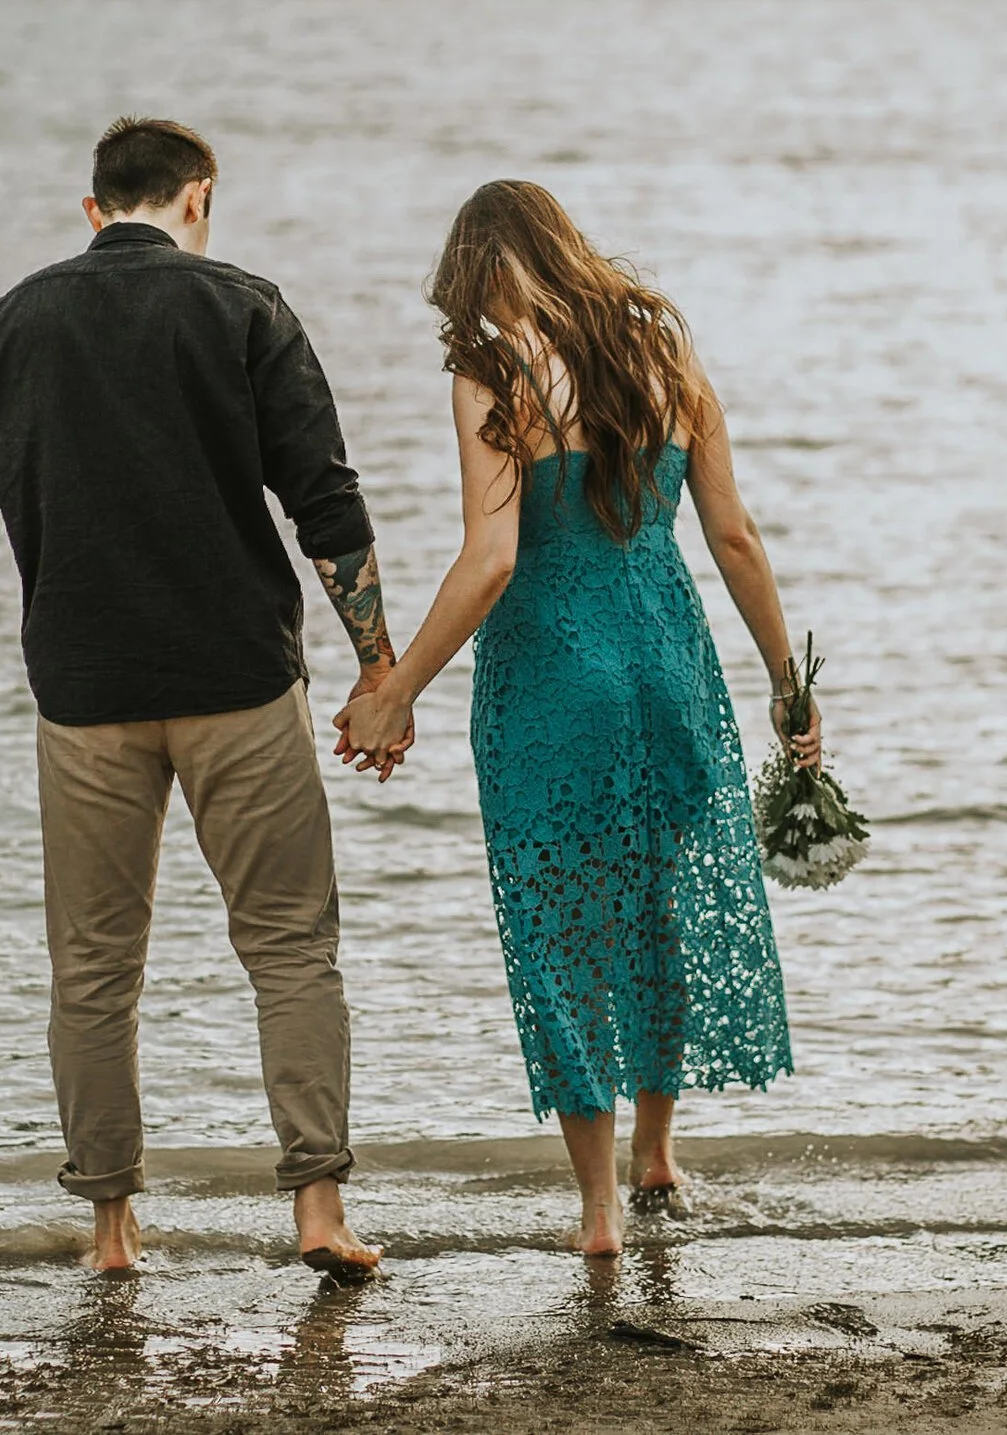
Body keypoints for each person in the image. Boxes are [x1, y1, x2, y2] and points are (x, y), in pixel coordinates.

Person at [0, 117, 405, 1278]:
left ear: (93, 210)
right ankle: (319, 1210)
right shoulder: (245, 307)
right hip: (238, 679)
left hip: (85, 695)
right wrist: (377, 663)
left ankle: (111, 1227)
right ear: (200, 198)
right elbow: (326, 506)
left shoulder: (5, 327)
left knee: (92, 969)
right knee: (288, 947)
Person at [335, 180, 813, 1257]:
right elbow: (734, 538)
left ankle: (598, 1209)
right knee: (658, 909)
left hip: (553, 680)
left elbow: (493, 556)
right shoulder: (666, 355)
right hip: (670, 667)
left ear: (476, 274)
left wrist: (396, 686)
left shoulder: (491, 373)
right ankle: (658, 1153)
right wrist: (789, 683)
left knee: (564, 937)